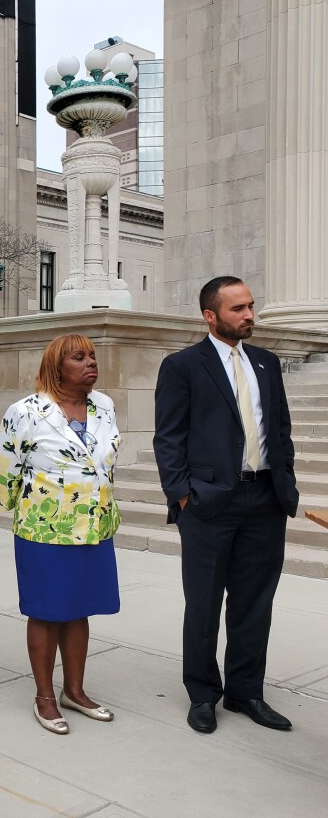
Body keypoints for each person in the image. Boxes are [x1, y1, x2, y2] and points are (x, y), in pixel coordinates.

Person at [153, 276, 298, 734]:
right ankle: (202, 694)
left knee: (255, 603)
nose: (250, 315)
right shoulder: (183, 366)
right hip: (208, 503)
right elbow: (168, 437)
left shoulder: (266, 363)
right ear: (210, 315)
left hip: (265, 499)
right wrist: (182, 494)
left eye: (251, 306)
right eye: (238, 309)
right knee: (203, 603)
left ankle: (245, 692)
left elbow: (280, 431)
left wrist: (285, 484)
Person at [0, 334, 121, 735]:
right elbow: (4, 465)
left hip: (94, 525)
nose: (90, 363)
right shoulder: (26, 412)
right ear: (56, 367)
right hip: (44, 528)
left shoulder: (104, 407)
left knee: (78, 608)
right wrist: (23, 507)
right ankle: (44, 697)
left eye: (93, 357)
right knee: (46, 611)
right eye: (79, 357)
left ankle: (75, 691)